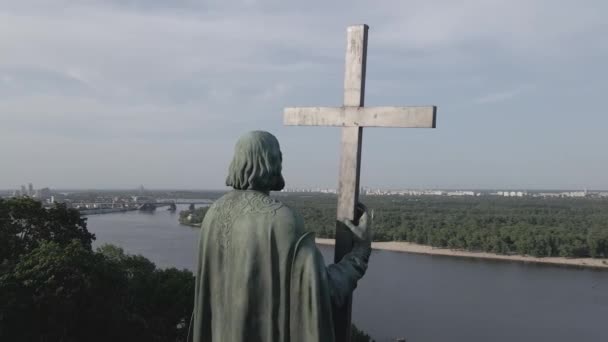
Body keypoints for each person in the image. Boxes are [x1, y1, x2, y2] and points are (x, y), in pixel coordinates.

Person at [189, 131, 372, 342]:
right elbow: (321, 294)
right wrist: (360, 251)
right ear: (273, 162)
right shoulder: (283, 220)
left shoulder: (213, 213)